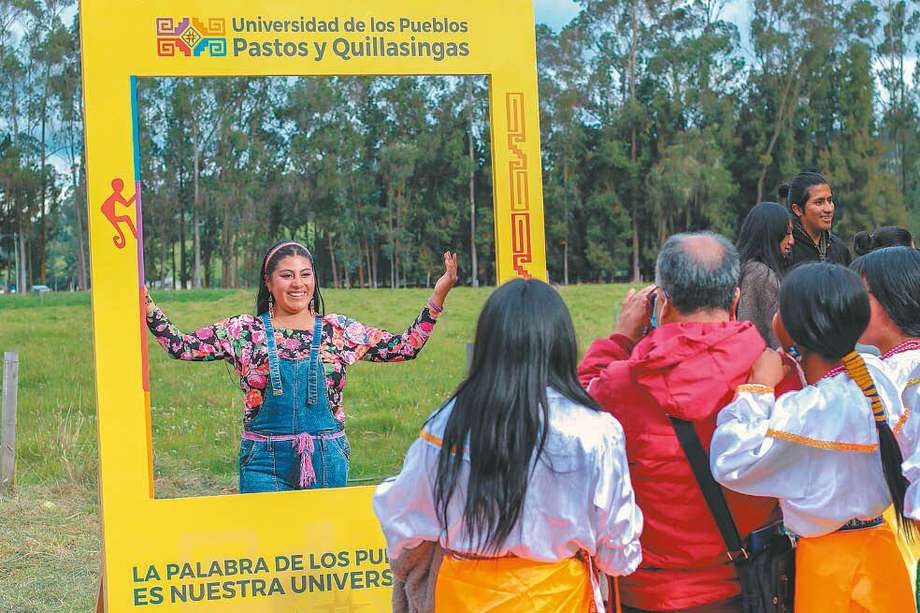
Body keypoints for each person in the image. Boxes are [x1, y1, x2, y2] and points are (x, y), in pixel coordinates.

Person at [374, 279, 643, 612]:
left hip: (464, 598)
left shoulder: (446, 426)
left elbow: (400, 519)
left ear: (488, 343)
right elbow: (620, 552)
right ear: (561, 344)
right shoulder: (596, 431)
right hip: (561, 599)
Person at [145, 240, 457, 493]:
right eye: (287, 275)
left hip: (326, 459)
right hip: (263, 464)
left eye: (305, 274)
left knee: (322, 555)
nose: (298, 284)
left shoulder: (339, 330)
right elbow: (182, 347)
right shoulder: (243, 332)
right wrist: (146, 304)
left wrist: (439, 294)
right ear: (268, 282)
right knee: (267, 554)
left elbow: (405, 347)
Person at [578, 232, 777, 612]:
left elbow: (578, 409)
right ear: (735, 300)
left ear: (662, 303)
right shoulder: (768, 373)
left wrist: (619, 337)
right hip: (751, 585)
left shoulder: (621, 383)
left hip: (649, 592)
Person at [710, 262, 917, 611]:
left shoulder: (807, 412)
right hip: (882, 557)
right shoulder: (873, 378)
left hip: (830, 570)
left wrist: (757, 389)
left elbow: (730, 460)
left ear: (791, 328)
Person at [736, 202, 794, 348]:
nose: (791, 241)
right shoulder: (761, 274)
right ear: (771, 234)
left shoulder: (744, 268)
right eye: (787, 234)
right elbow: (776, 338)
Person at [782, 170, 851, 266]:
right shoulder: (787, 248)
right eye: (819, 202)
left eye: (830, 200)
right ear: (797, 209)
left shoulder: (839, 249)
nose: (828, 209)